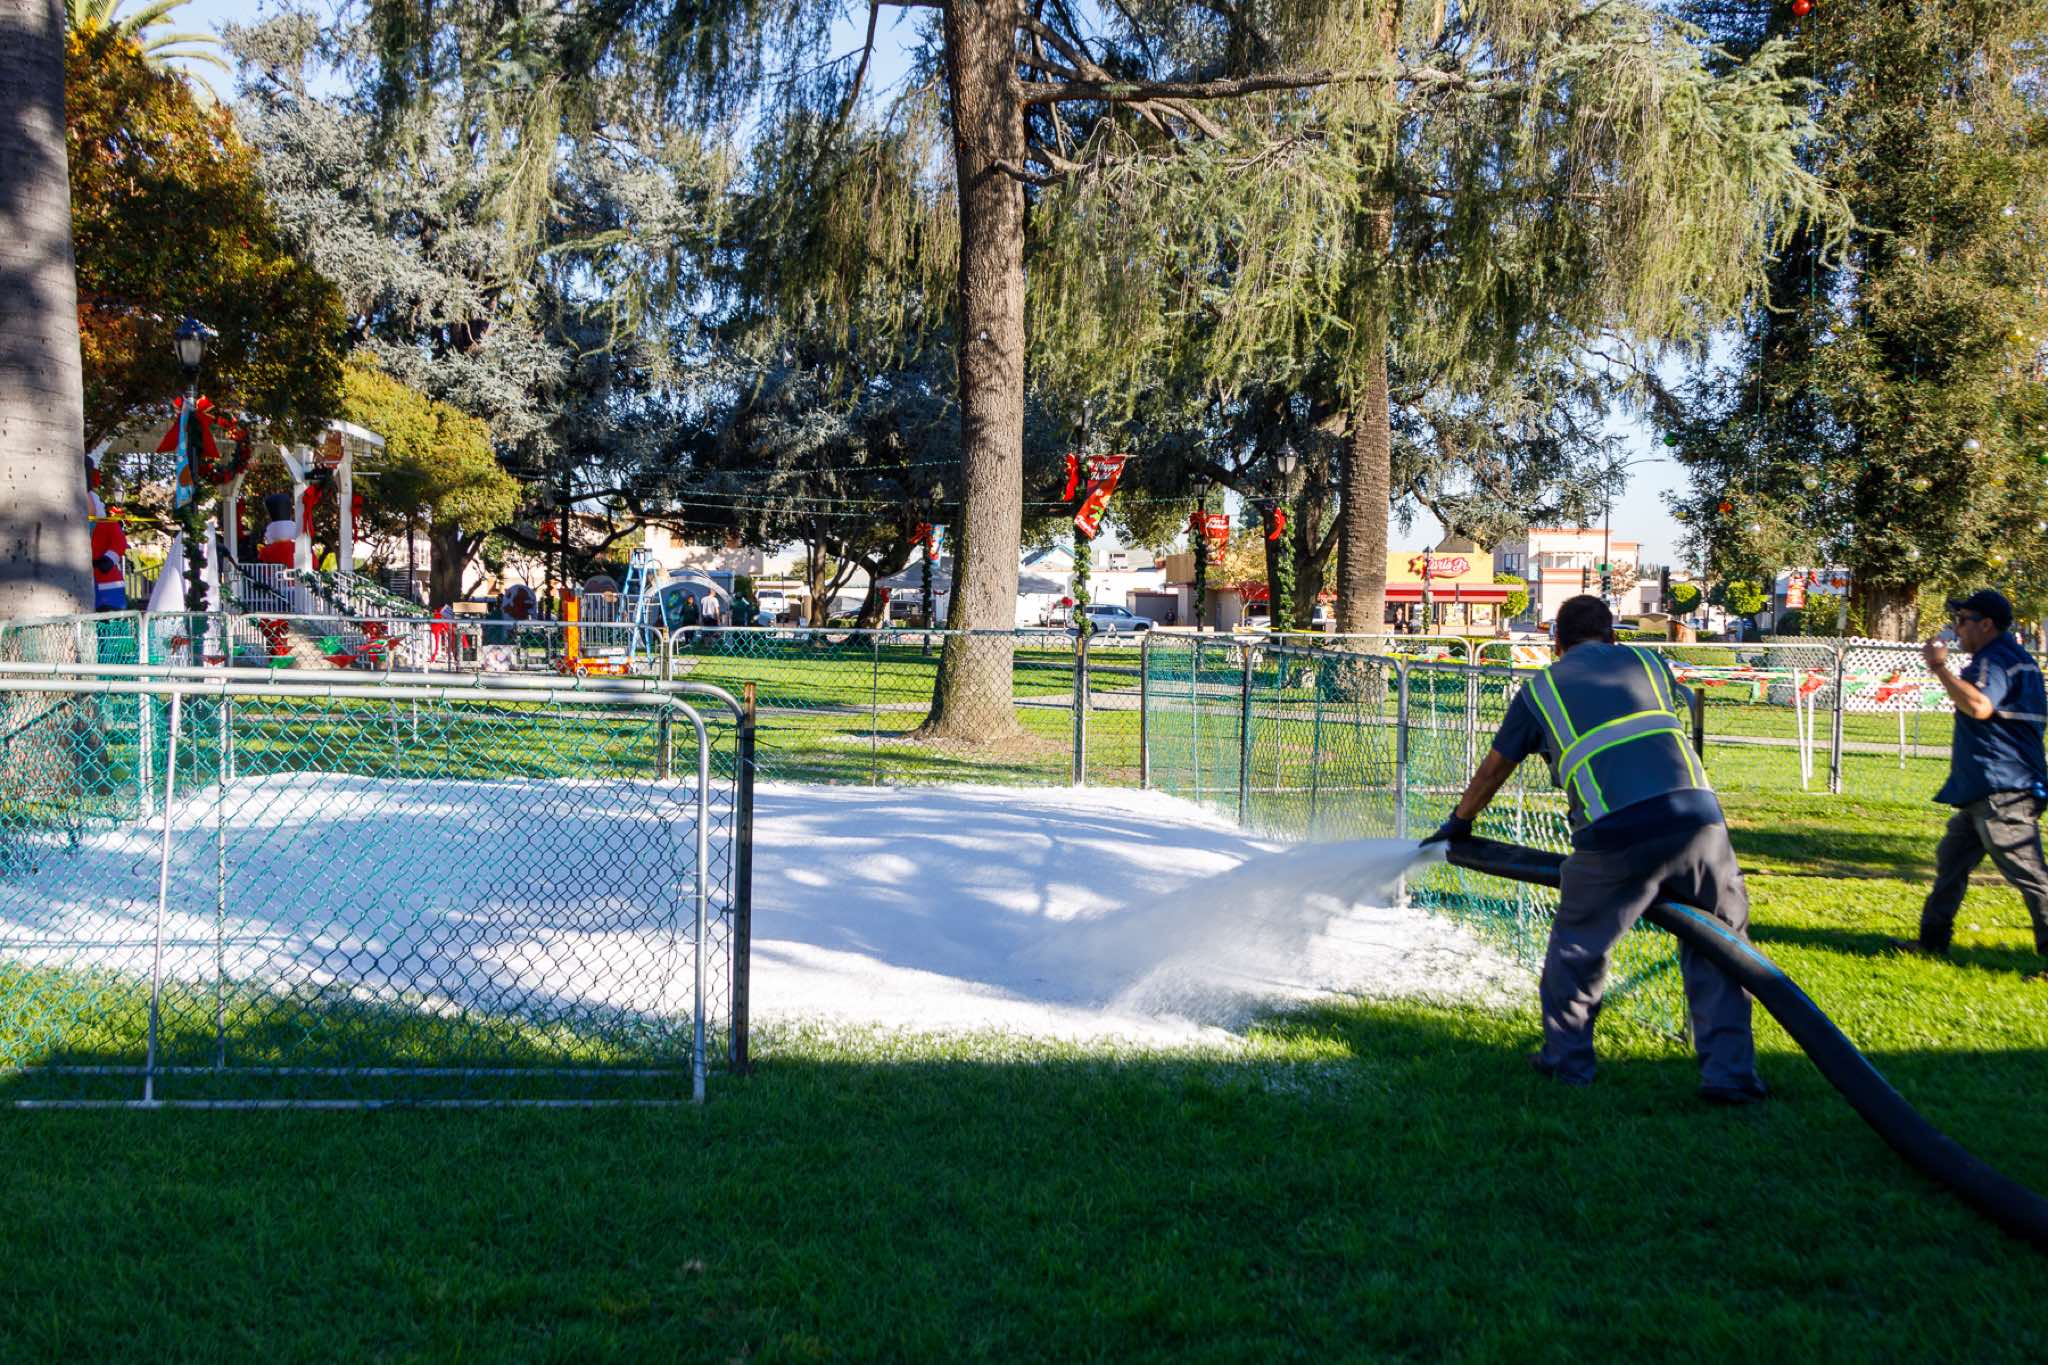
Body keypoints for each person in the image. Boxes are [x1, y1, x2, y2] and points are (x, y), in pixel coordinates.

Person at [1425, 594, 1765, 1103]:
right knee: (1722, 946)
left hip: (1614, 831)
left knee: (1578, 951)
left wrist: (1459, 822)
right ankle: (1730, 1076)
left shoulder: (1540, 690)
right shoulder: (1651, 665)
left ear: (1555, 643)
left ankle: (1567, 1063)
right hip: (1699, 821)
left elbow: (1495, 769)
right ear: (1612, 636)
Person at [1891, 589, 2048, 982]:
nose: (1957, 628)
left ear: (1986, 624)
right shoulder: (2018, 658)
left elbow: (1978, 706)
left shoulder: (1994, 659)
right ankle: (1932, 941)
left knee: (2029, 874)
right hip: (1989, 786)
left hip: (2003, 788)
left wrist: (1939, 668)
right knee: (1952, 862)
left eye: (1963, 620)